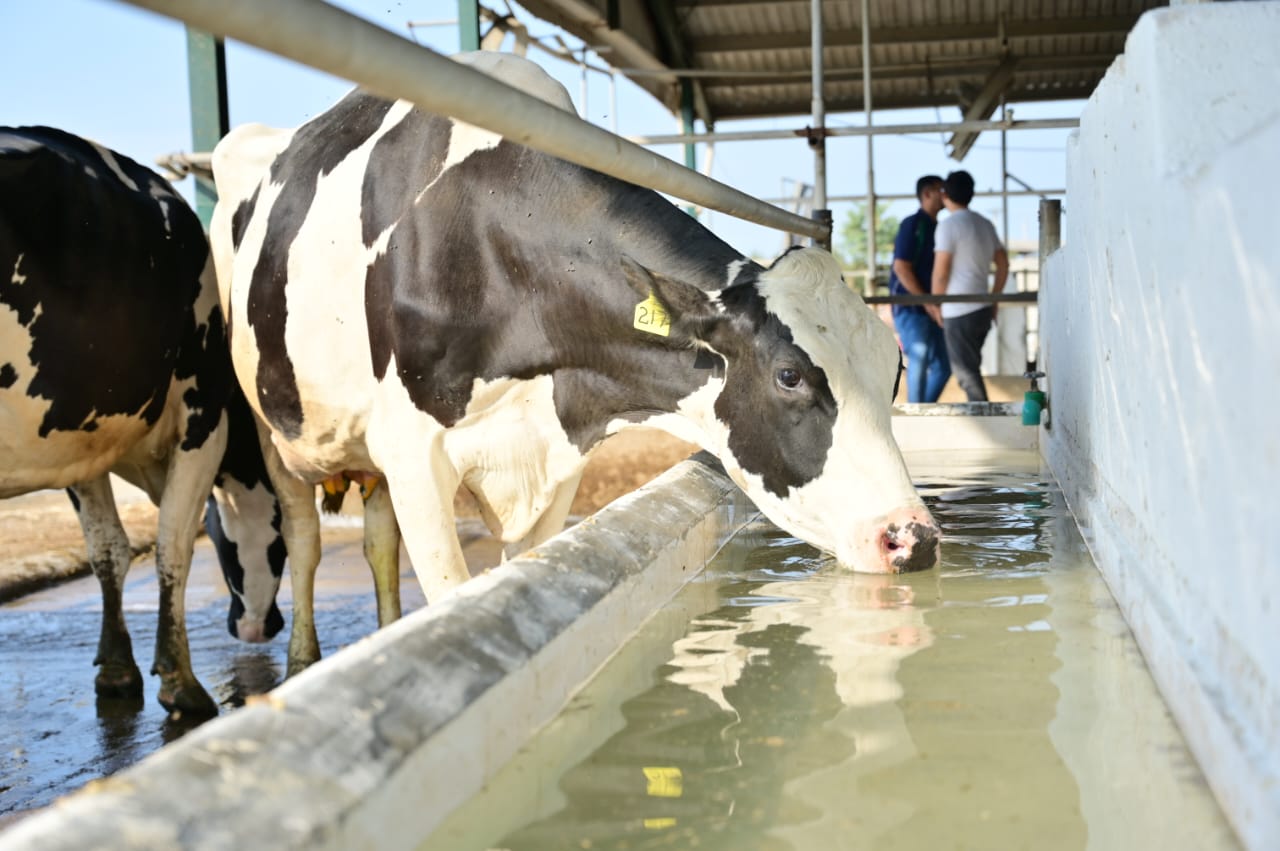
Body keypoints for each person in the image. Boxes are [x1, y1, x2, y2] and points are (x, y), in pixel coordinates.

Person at [932, 170, 1009, 402]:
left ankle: (983, 413)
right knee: (971, 367)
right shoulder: (985, 223)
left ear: (944, 194)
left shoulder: (948, 226)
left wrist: (936, 303)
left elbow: (941, 271)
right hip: (983, 307)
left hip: (958, 309)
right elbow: (1003, 264)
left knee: (966, 373)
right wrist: (994, 298)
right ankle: (982, 410)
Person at [888, 175, 950, 402]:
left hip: (933, 307)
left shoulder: (940, 228)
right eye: (940, 190)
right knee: (919, 354)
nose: (945, 194)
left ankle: (923, 410)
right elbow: (901, 267)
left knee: (944, 366)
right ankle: (916, 411)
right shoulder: (913, 224)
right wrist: (927, 302)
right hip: (911, 306)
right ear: (926, 194)